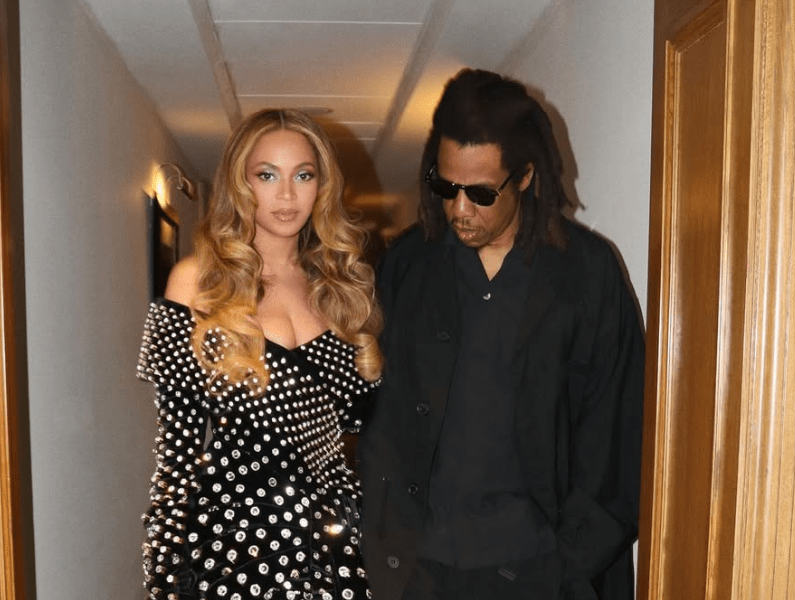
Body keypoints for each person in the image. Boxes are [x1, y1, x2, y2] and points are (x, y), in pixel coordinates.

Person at [358, 69, 645, 600]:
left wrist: (571, 563)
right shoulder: (407, 264)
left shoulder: (586, 272)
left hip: (538, 568)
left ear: (527, 177)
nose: (458, 209)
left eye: (481, 193)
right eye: (445, 187)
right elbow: (377, 410)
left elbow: (616, 429)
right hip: (419, 567)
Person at [136, 108, 383, 600]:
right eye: (267, 175)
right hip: (233, 548)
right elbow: (176, 456)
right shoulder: (198, 281)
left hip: (333, 545)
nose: (287, 195)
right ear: (240, 183)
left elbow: (369, 432)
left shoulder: (341, 290)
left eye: (303, 175)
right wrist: (164, 582)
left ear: (322, 185)